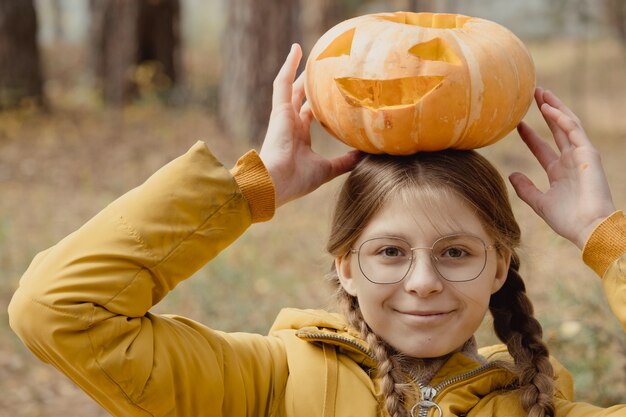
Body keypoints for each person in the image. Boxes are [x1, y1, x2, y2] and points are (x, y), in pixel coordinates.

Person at [8, 43, 625, 417]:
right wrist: (245, 191)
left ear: (498, 265)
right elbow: (58, 310)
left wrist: (604, 237)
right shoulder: (261, 385)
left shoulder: (542, 405)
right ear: (344, 266)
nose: (423, 283)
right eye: (388, 251)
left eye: (456, 252)